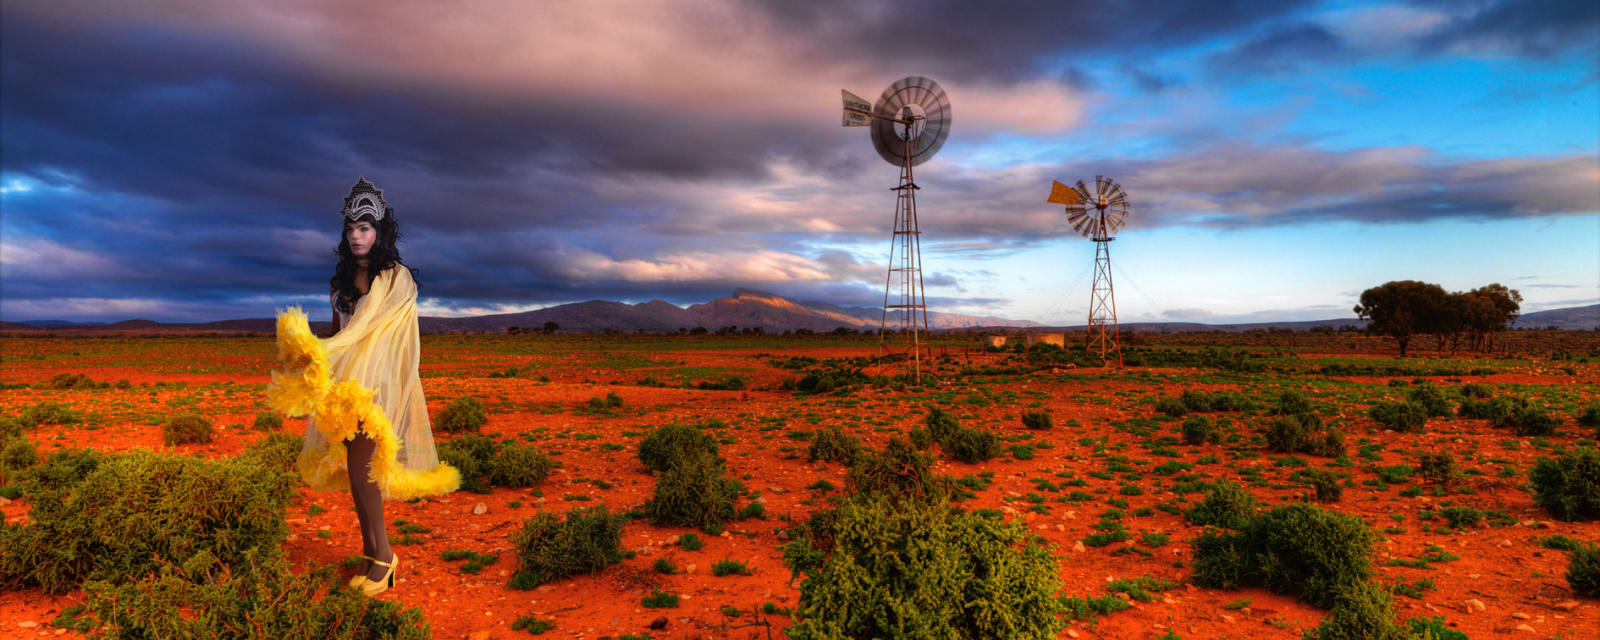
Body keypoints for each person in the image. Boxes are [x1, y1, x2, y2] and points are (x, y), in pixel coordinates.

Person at [267, 177, 459, 597]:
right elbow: (340, 335)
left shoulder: (397, 279)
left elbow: (396, 340)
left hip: (379, 386)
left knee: (366, 473)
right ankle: (372, 554)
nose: (357, 235)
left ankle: (385, 557)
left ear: (380, 232)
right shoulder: (337, 285)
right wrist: (312, 357)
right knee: (357, 477)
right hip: (345, 389)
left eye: (365, 228)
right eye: (351, 228)